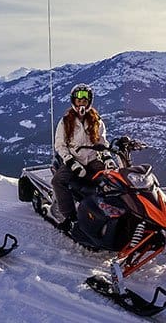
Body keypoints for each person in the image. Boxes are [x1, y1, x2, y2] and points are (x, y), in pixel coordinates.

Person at [50, 83, 115, 228]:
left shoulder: (96, 120)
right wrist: (71, 162)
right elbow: (60, 145)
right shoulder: (66, 121)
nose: (82, 104)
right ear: (74, 102)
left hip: (92, 159)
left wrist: (108, 157)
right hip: (73, 159)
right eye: (79, 101)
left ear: (89, 102)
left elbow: (102, 142)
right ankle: (69, 217)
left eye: (85, 101)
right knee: (58, 181)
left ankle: (108, 214)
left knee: (111, 180)